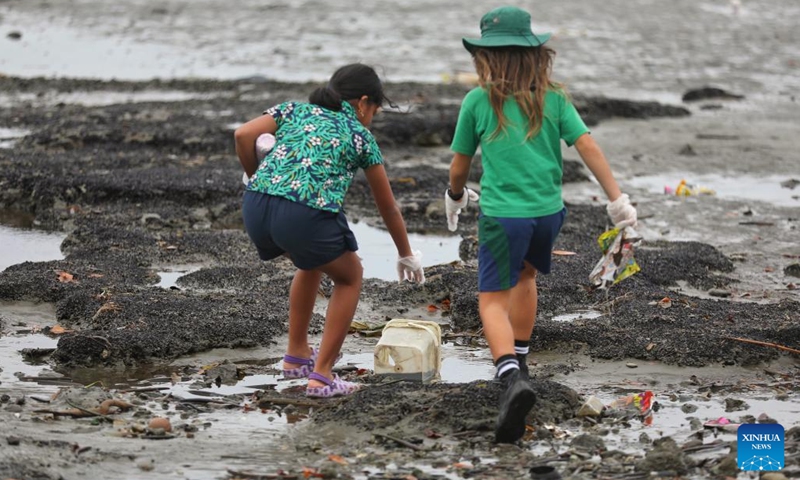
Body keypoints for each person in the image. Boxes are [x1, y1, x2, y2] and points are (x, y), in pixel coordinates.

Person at [446, 6, 638, 443]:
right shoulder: (554, 98)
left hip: (502, 216)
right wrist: (617, 198)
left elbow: (460, 166)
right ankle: (523, 359)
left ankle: (510, 377)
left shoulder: (478, 101)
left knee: (491, 300)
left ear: (486, 58)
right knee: (527, 276)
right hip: (548, 214)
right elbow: (586, 145)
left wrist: (455, 196)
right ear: (534, 54)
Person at [234, 63, 425, 398]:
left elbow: (243, 135)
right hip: (303, 213)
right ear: (364, 102)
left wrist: (257, 175)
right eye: (375, 110)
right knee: (350, 276)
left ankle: (296, 356)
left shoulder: (294, 109)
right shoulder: (360, 136)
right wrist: (406, 254)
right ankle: (322, 377)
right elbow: (388, 207)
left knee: (310, 263)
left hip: (255, 208)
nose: (372, 117)